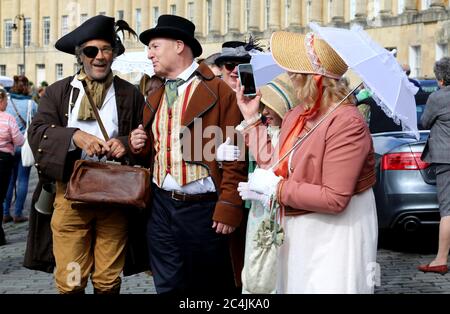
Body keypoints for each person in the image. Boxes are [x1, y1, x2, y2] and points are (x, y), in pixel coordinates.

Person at [235, 31, 378, 293]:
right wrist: (252, 119)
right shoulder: (297, 115)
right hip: (298, 228)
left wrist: (276, 189)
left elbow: (335, 198)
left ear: (312, 79)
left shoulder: (347, 122)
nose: (289, 77)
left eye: (293, 73)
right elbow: (274, 165)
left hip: (333, 235)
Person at [27, 15, 147, 294]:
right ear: (80, 56)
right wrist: (73, 136)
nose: (100, 57)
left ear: (114, 54)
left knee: (108, 280)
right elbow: (38, 132)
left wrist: (126, 143)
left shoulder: (129, 94)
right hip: (70, 197)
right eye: (92, 51)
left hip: (115, 199)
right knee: (71, 281)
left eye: (107, 50)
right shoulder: (59, 92)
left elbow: (144, 136)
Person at [130, 14, 248, 294]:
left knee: (208, 287)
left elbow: (235, 154)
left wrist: (229, 205)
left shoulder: (220, 91)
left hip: (202, 208)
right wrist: (139, 144)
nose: (149, 54)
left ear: (179, 45)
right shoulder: (155, 94)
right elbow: (157, 149)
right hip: (160, 205)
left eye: (155, 46)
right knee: (168, 285)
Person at [238, 73, 298, 293]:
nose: (264, 112)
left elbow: (276, 169)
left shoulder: (292, 138)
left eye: (270, 106)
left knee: (270, 275)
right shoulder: (273, 133)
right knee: (256, 272)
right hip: (261, 216)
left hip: (278, 215)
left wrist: (264, 193)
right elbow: (265, 160)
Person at [418, 57, 450, 275]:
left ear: (440, 79)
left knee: (447, 210)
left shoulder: (437, 98)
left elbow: (425, 122)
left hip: (446, 158)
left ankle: (440, 259)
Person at [2, 75, 38, 224]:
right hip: (24, 146)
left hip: (9, 146)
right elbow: (37, 124)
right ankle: (18, 213)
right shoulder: (32, 104)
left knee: (9, 181)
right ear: (27, 86)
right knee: (23, 180)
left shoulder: (8, 102)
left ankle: (5, 213)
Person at [0, 88, 25, 245]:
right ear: (1, 101)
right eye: (6, 102)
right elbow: (19, 141)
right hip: (3, 159)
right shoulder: (8, 118)